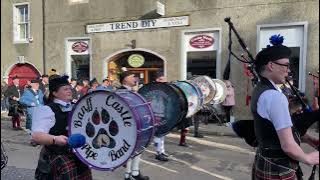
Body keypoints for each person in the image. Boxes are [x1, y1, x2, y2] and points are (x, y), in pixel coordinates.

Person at [251, 36, 319, 179]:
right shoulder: (274, 96)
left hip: (266, 160)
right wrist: (308, 158)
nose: (288, 70)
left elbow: (279, 128)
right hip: (278, 167)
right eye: (286, 65)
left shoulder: (261, 89)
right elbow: (288, 145)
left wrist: (309, 139)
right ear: (271, 65)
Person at [31, 75, 92, 179]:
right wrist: (54, 139)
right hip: (59, 158)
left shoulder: (77, 106)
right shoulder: (46, 110)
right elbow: (36, 136)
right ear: (54, 93)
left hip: (80, 157)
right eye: (65, 89)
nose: (69, 91)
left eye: (69, 88)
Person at [118, 71, 149, 180]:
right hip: (126, 126)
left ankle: (132, 173)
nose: (135, 79)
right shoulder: (121, 91)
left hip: (135, 124)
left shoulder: (130, 91)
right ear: (125, 79)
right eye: (133, 77)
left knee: (136, 149)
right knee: (131, 150)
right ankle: (131, 174)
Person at [153, 71, 170, 161]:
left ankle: (161, 151)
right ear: (158, 79)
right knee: (158, 134)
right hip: (156, 113)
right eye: (163, 79)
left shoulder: (164, 88)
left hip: (162, 113)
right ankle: (158, 152)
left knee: (162, 134)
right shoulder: (154, 89)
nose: (165, 81)